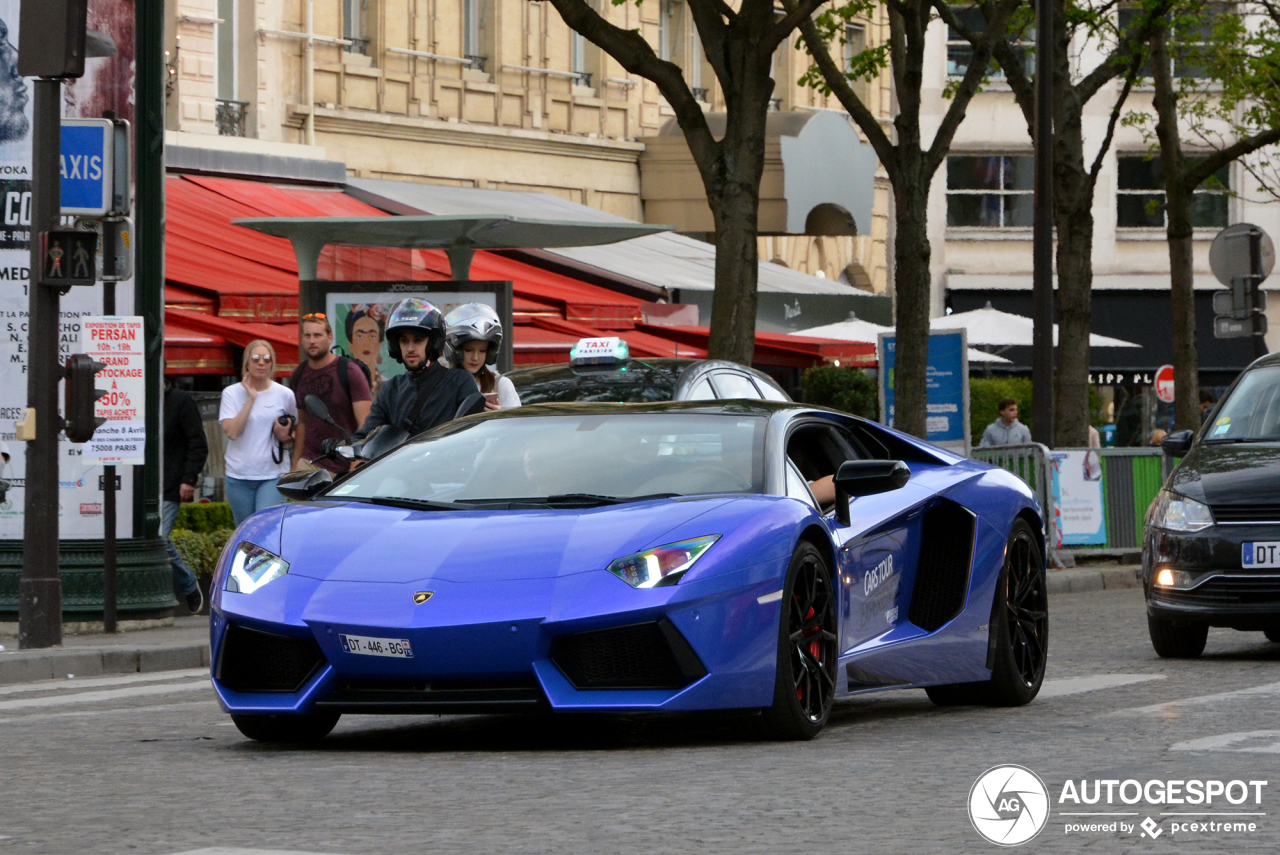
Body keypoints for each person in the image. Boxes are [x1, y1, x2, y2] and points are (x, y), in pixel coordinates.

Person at [352, 298, 483, 442]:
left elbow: (473, 433)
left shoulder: (459, 382)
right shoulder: (391, 389)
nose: (410, 348)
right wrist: (345, 445)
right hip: (402, 464)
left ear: (433, 342)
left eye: (418, 340)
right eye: (404, 341)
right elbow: (367, 433)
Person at [219, 340, 297, 525]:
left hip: (273, 474)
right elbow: (232, 432)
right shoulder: (231, 393)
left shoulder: (285, 394)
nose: (261, 363)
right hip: (239, 475)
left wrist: (285, 435)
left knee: (265, 528)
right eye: (255, 359)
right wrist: (251, 398)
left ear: (272, 364)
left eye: (266, 359)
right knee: (245, 530)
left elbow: (295, 431)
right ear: (247, 363)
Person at [291, 313, 372, 473]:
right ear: (302, 339)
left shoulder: (349, 371)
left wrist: (355, 465)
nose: (312, 340)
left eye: (317, 335)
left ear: (330, 338)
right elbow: (302, 423)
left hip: (345, 464)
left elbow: (366, 422)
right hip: (310, 462)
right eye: (307, 335)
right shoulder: (298, 374)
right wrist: (294, 464)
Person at [163, 380, 209, 614]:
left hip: (169, 484)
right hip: (140, 486)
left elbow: (198, 443)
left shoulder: (180, 400)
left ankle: (189, 585)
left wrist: (188, 479)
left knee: (159, 537)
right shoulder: (135, 400)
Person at [442, 303, 521, 411]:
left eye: (482, 351)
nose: (475, 357)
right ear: (455, 350)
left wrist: (499, 417)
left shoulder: (501, 385)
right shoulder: (440, 386)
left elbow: (516, 425)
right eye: (468, 350)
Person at [346, 305, 387, 399]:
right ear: (350, 344)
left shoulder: (389, 387)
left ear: (379, 345)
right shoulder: (341, 386)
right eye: (360, 336)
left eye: (372, 336)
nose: (366, 343)